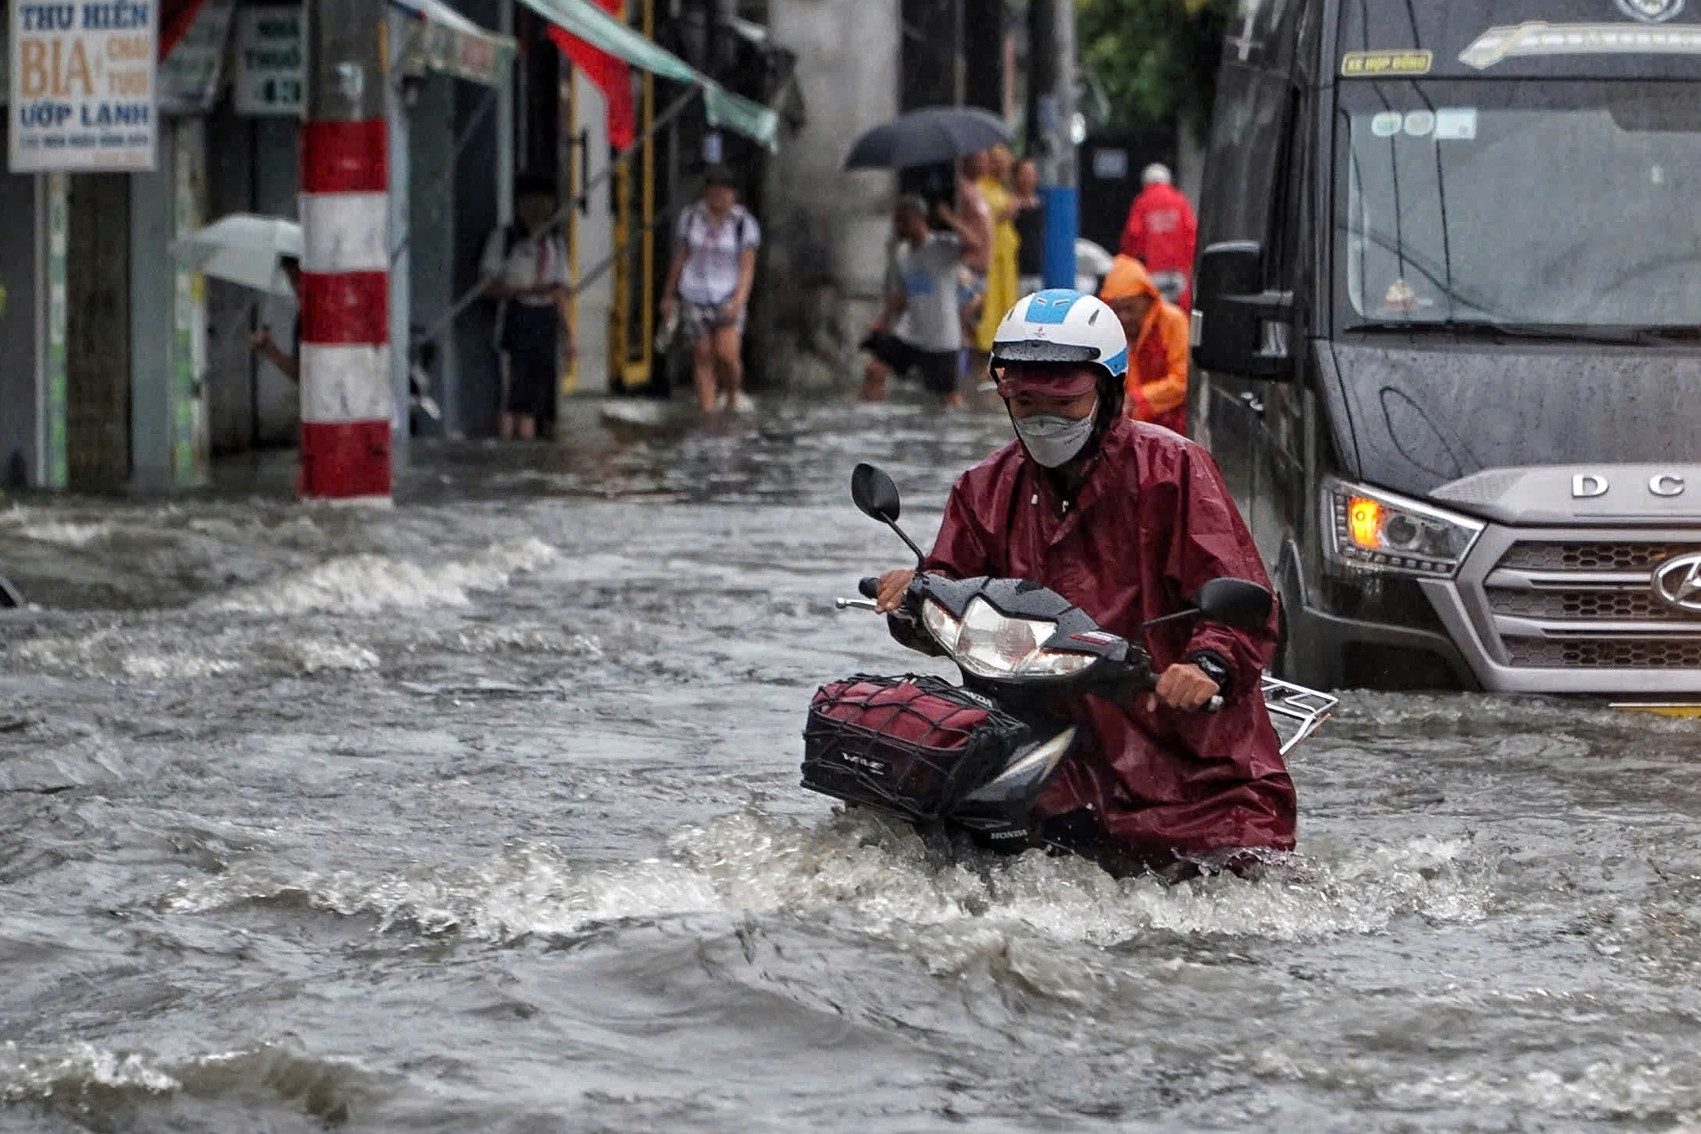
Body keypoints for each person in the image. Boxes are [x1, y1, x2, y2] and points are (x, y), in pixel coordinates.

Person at [871, 289, 1294, 878]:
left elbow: (1240, 598)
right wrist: (914, 596)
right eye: (1025, 400)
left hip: (1187, 764)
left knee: (1237, 885)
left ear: (1110, 390)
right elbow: (950, 587)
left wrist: (1207, 666)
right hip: (1051, 760)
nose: (1043, 417)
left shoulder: (1173, 471)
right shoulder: (983, 488)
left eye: (1063, 402)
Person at [860, 195, 985, 408]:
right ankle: (871, 419)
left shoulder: (941, 246)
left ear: (919, 219)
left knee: (948, 397)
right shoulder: (902, 253)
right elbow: (903, 293)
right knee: (874, 369)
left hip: (941, 337)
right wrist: (882, 321)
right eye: (897, 221)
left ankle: (959, 429)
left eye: (904, 220)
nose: (899, 226)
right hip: (910, 333)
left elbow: (975, 244)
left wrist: (950, 218)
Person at [661, 165, 761, 413]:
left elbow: (747, 267)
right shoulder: (691, 217)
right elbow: (681, 256)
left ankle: (732, 397)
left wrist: (739, 301)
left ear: (734, 195)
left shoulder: (743, 224)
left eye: (725, 191)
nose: (720, 197)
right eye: (715, 191)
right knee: (702, 354)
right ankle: (708, 411)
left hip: (727, 295)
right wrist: (668, 295)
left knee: (727, 354)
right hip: (694, 293)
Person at [481, 173, 573, 441]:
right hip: (514, 319)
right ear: (519, 204)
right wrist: (519, 291)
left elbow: (560, 293)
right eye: (531, 202)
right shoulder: (505, 240)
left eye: (545, 202)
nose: (538, 208)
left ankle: (527, 454)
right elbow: (486, 286)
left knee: (532, 402)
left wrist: (570, 338)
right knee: (511, 400)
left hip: (544, 322)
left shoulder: (554, 244)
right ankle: (507, 454)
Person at [1100, 255, 1190, 435]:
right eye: (1118, 309)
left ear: (1147, 300)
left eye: (1130, 308)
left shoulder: (1172, 321)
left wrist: (1135, 398)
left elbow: (1182, 380)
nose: (1124, 317)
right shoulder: (1107, 328)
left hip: (1173, 431)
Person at [1119, 162, 1198, 311]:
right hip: (1178, 272)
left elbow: (1133, 234)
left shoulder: (1142, 202)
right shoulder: (1180, 201)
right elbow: (1191, 234)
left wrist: (1130, 265)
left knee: (1153, 316)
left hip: (1152, 272)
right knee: (1179, 315)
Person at [974, 145, 1021, 355]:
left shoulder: (1002, 190)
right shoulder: (981, 189)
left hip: (1005, 262)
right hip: (990, 260)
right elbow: (982, 222)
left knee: (1006, 304)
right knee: (990, 305)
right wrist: (1004, 213)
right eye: (998, 163)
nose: (1003, 169)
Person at [250, 256, 302, 384]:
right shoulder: (302, 318)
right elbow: (300, 374)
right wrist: (270, 350)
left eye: (298, 278)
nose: (295, 287)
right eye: (291, 280)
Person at [1012, 158, 1045, 297]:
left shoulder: (1040, 204)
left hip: (1036, 270)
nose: (1027, 179)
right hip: (1017, 270)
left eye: (1031, 175)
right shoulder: (1011, 205)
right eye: (1024, 174)